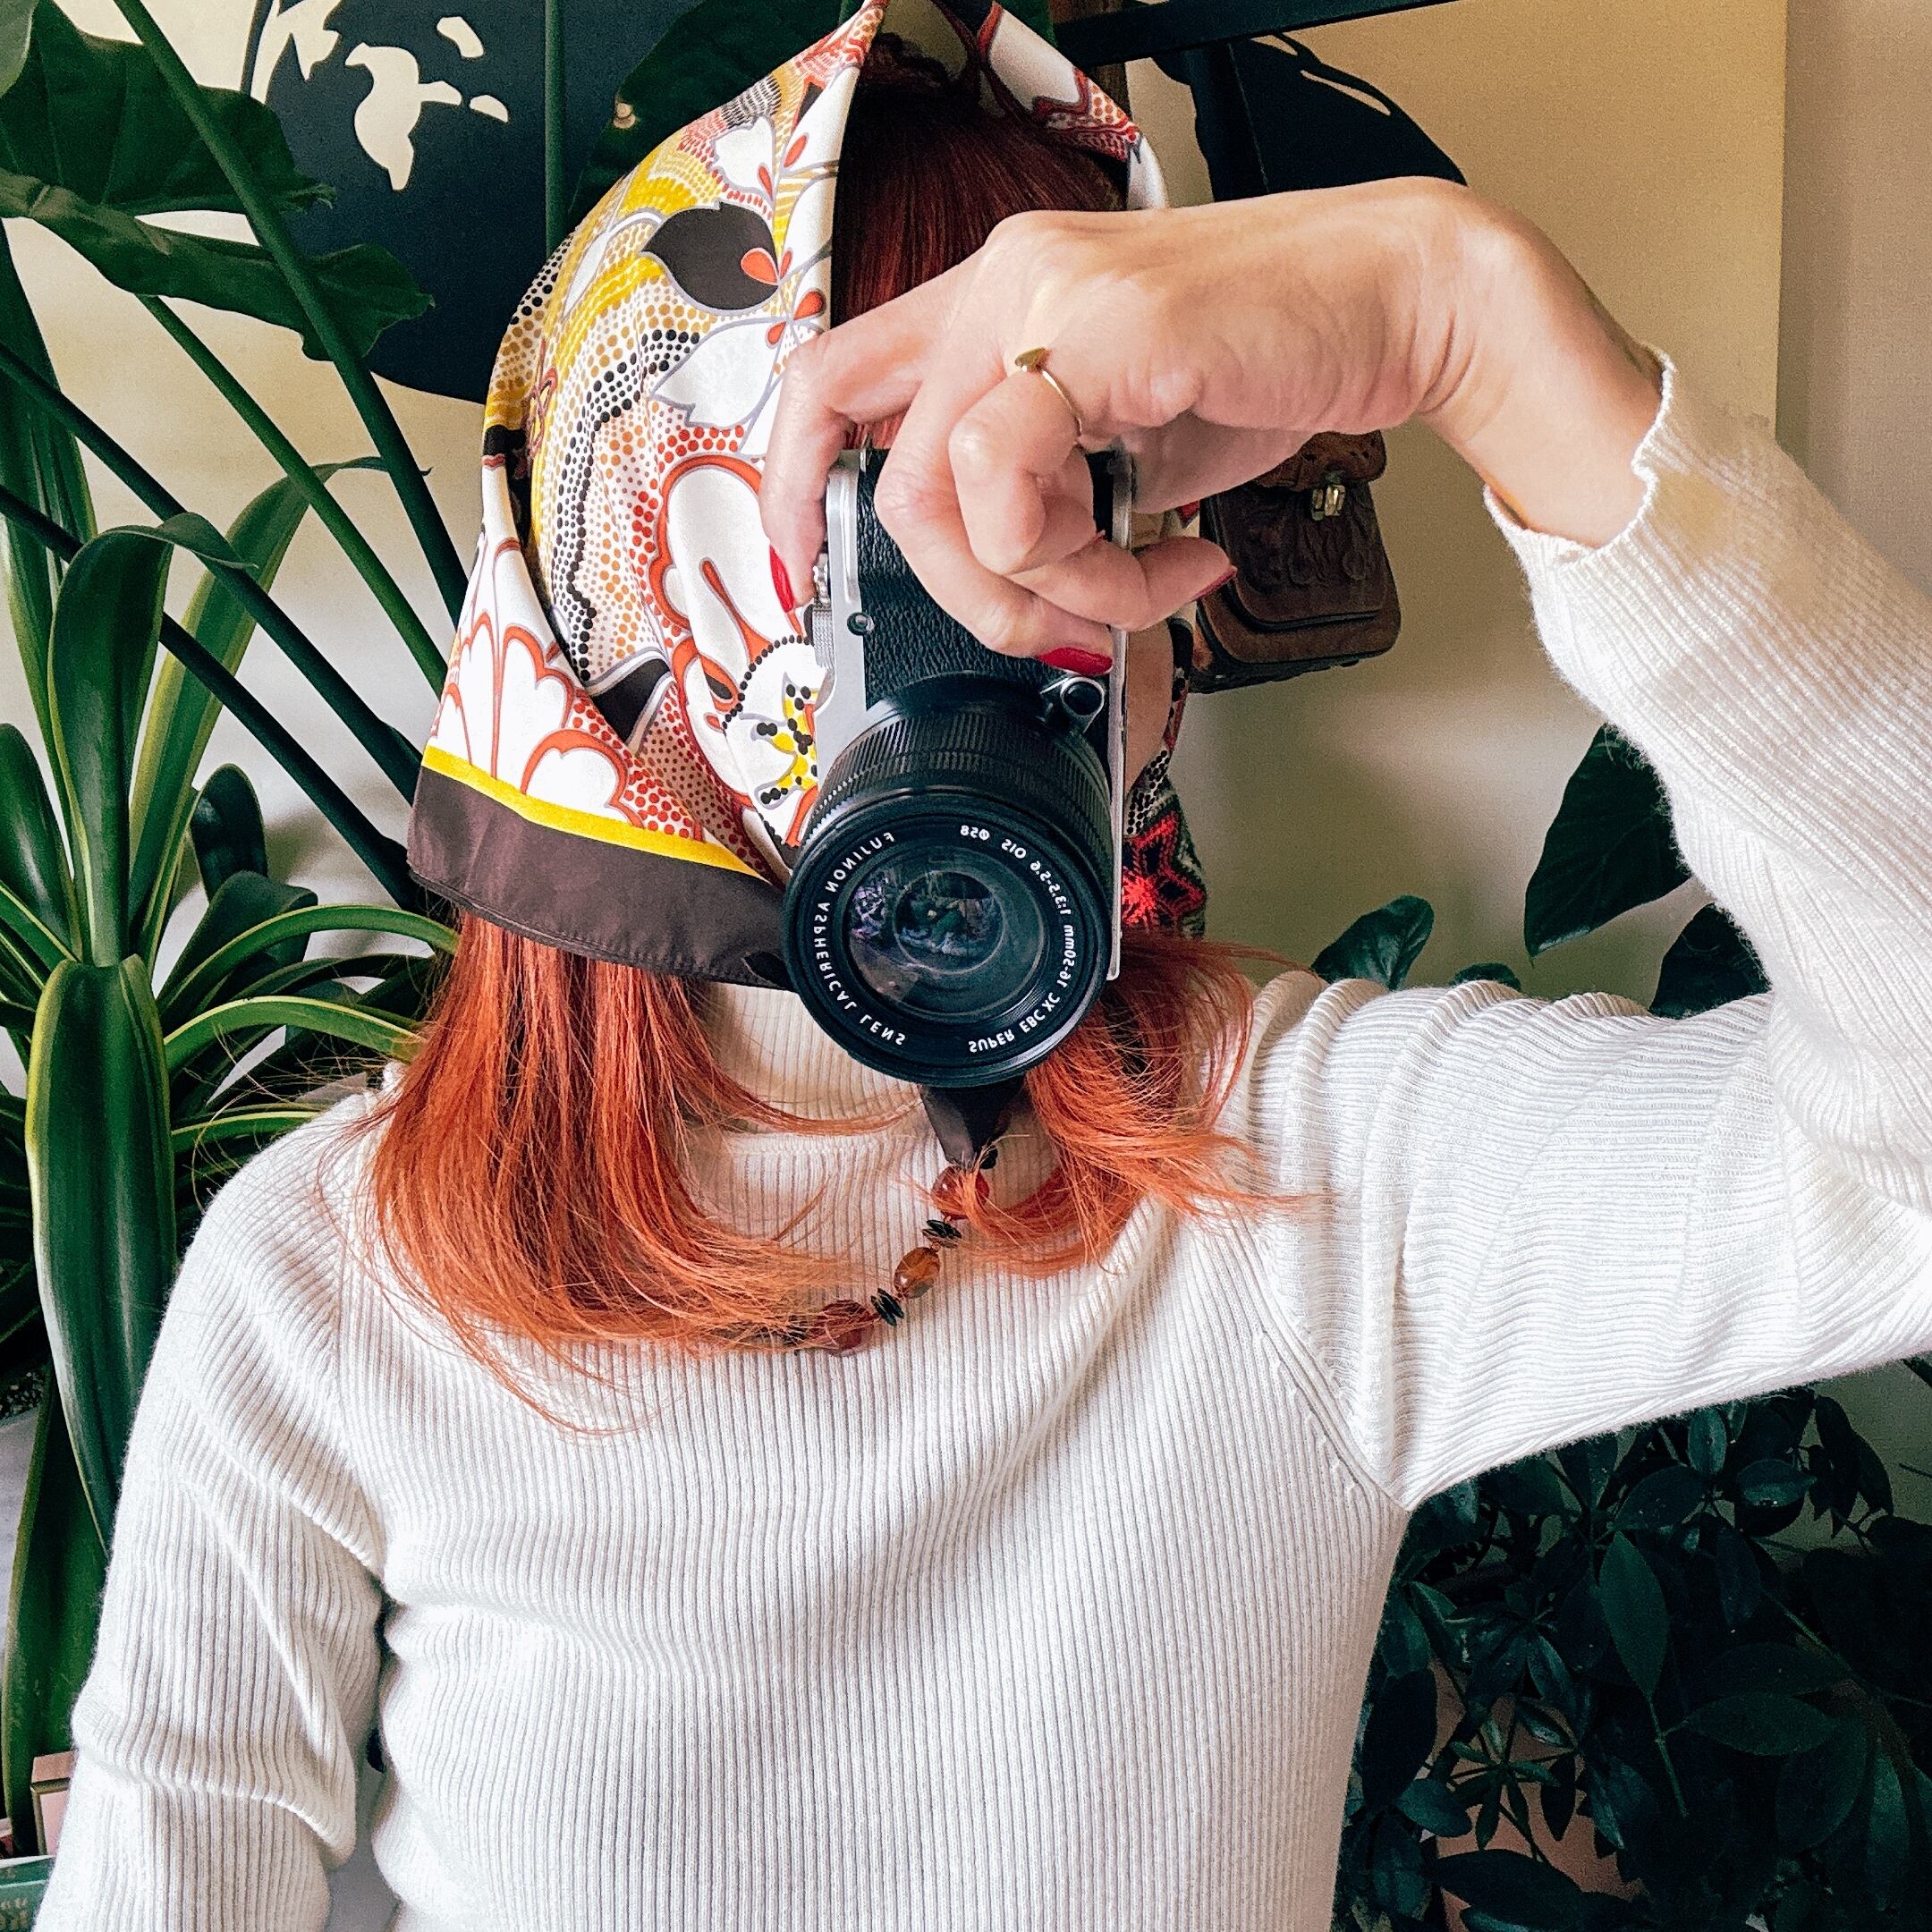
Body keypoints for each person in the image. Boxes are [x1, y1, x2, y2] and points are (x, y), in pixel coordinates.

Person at [34, 21, 1932, 1932]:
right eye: (886, 531)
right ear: (655, 551)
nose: (1003, 609)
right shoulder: (339, 1276)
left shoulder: (1302, 1168)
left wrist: (1476, 318)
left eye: (1088, 497)